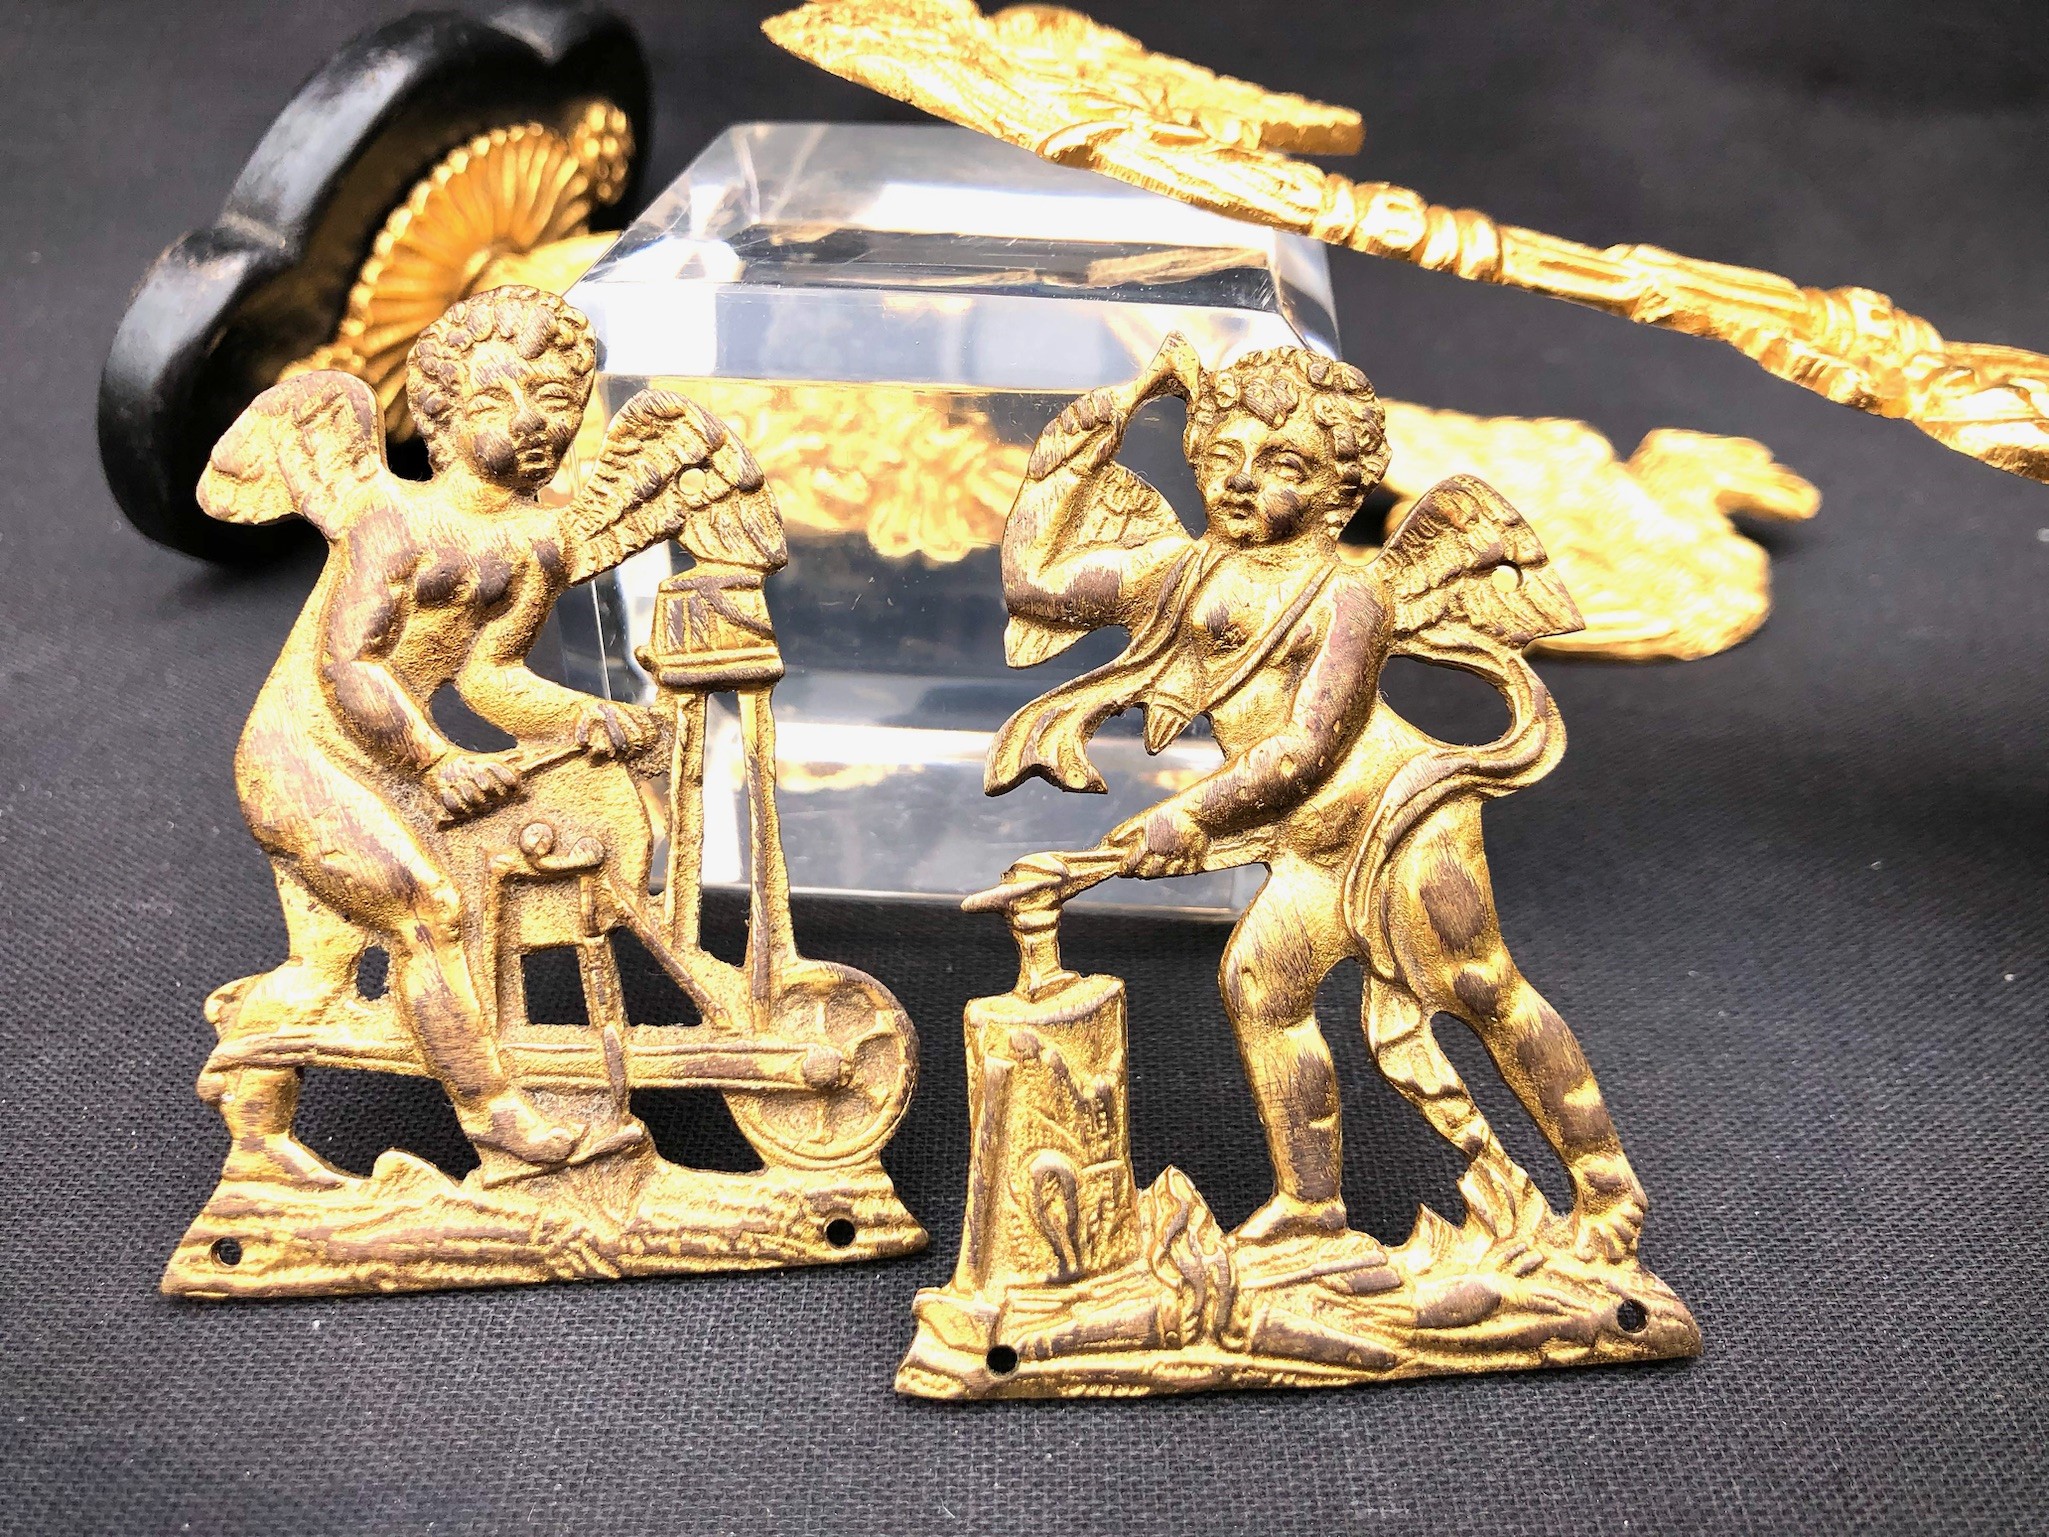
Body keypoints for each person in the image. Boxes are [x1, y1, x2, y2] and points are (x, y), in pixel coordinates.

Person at [991, 341, 1647, 1259]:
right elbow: (1034, 582)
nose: (1240, 481)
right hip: (1304, 843)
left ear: (1340, 491)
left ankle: (1606, 1185)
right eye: (1222, 457)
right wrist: (1104, 416)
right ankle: (1311, 1207)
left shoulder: (1350, 595)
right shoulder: (1176, 574)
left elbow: (1307, 745)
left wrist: (1191, 814)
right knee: (1260, 986)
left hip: (1398, 819)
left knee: (1481, 987)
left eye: (1282, 465)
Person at [204, 288, 660, 1180]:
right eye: (496, 400)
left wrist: (583, 714)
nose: (530, 423)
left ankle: (256, 1146)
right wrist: (435, 760)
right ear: (443, 418)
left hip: (382, 762)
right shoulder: (393, 521)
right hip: (301, 754)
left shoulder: (539, 542)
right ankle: (501, 1124)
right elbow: (351, 665)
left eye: (555, 400)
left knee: (323, 966)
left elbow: (489, 675)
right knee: (429, 910)